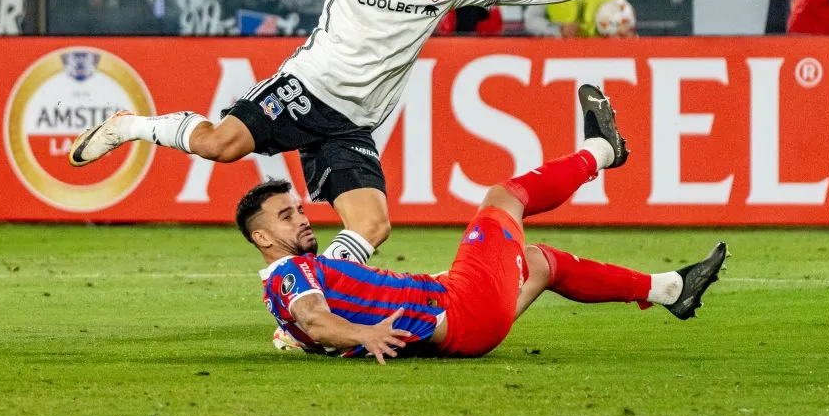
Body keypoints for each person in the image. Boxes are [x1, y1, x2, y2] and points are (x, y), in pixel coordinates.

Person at [70, 0, 639, 267]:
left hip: (352, 121)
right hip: (307, 88)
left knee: (373, 226)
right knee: (222, 145)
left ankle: (314, 297)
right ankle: (130, 126)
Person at [243, 86, 727, 361]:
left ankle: (668, 289)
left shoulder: (300, 280)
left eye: (300, 208)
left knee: (541, 262)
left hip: (468, 331)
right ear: (262, 238)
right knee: (503, 198)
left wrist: (303, 337)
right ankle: (603, 150)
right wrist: (360, 336)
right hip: (463, 307)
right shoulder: (291, 276)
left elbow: (304, 323)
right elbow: (312, 318)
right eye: (287, 216)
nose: (303, 218)